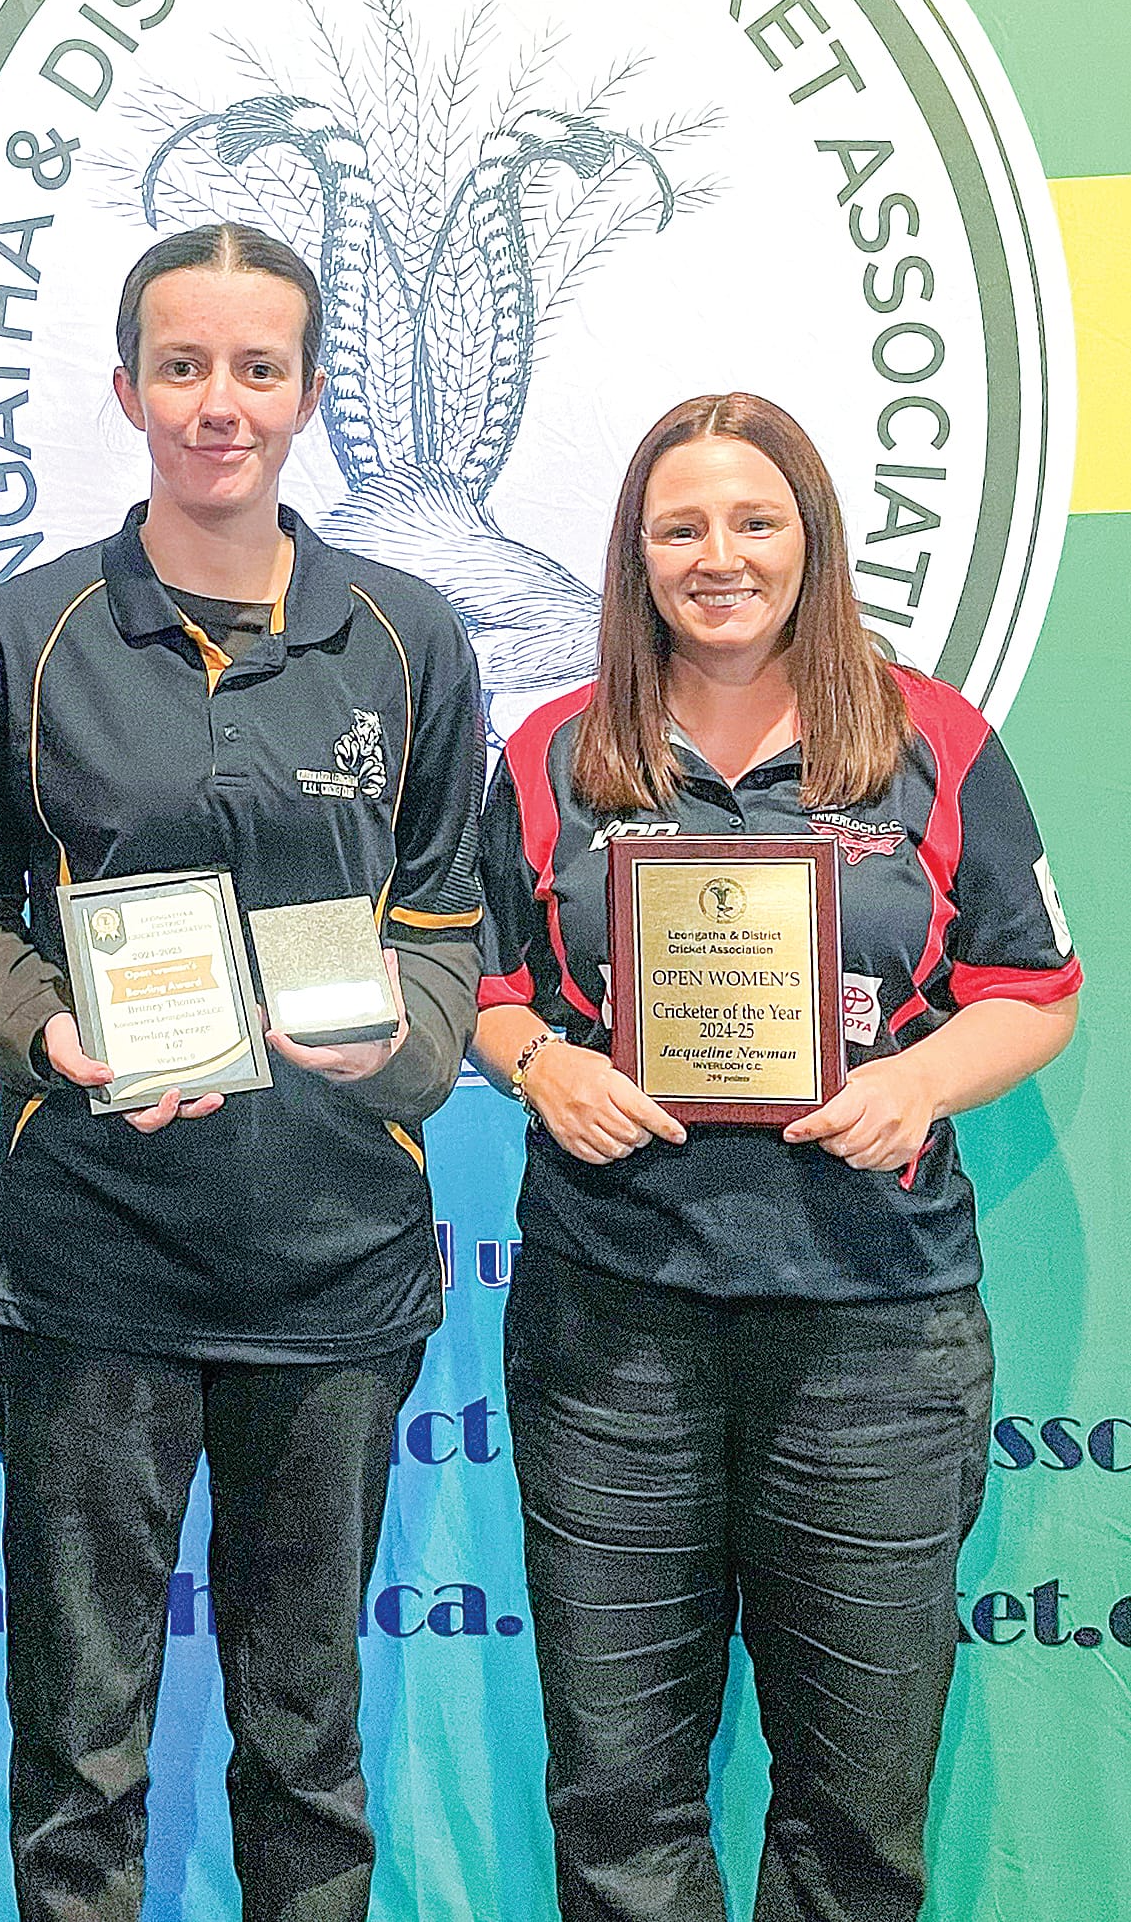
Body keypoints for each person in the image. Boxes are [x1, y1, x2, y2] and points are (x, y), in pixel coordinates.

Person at [0, 222, 485, 1921]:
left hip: (333, 1269)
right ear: (124, 383)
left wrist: (408, 1049)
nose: (215, 404)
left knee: (305, 1742)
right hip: (87, 1268)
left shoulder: (410, 639)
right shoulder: (16, 637)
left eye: (254, 369)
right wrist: (51, 1032)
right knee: (80, 1748)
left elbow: (445, 918)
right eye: (179, 365)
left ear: (309, 393)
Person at [473, 390, 1081, 1922]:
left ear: (809, 539)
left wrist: (922, 1083)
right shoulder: (555, 748)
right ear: (635, 554)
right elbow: (475, 980)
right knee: (616, 1793)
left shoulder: (928, 734)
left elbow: (1033, 984)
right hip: (614, 1322)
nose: (718, 555)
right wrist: (545, 1067)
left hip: (875, 1329)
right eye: (680, 526)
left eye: (754, 520)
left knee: (855, 1803)